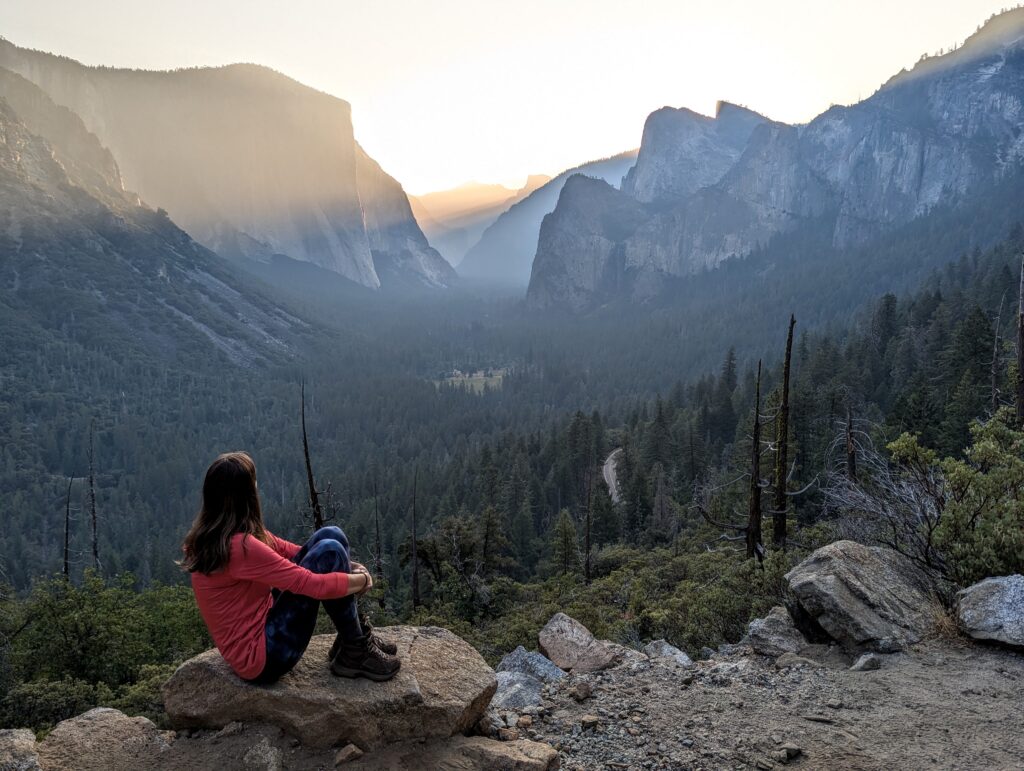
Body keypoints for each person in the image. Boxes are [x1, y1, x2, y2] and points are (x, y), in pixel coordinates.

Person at [180, 451, 399, 684]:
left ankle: (351, 640)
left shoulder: (218, 535)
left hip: (263, 628)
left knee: (331, 536)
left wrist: (346, 564)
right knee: (330, 550)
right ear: (246, 495)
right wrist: (363, 580)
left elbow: (290, 551)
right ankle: (354, 649)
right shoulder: (239, 547)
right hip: (264, 658)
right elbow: (310, 584)